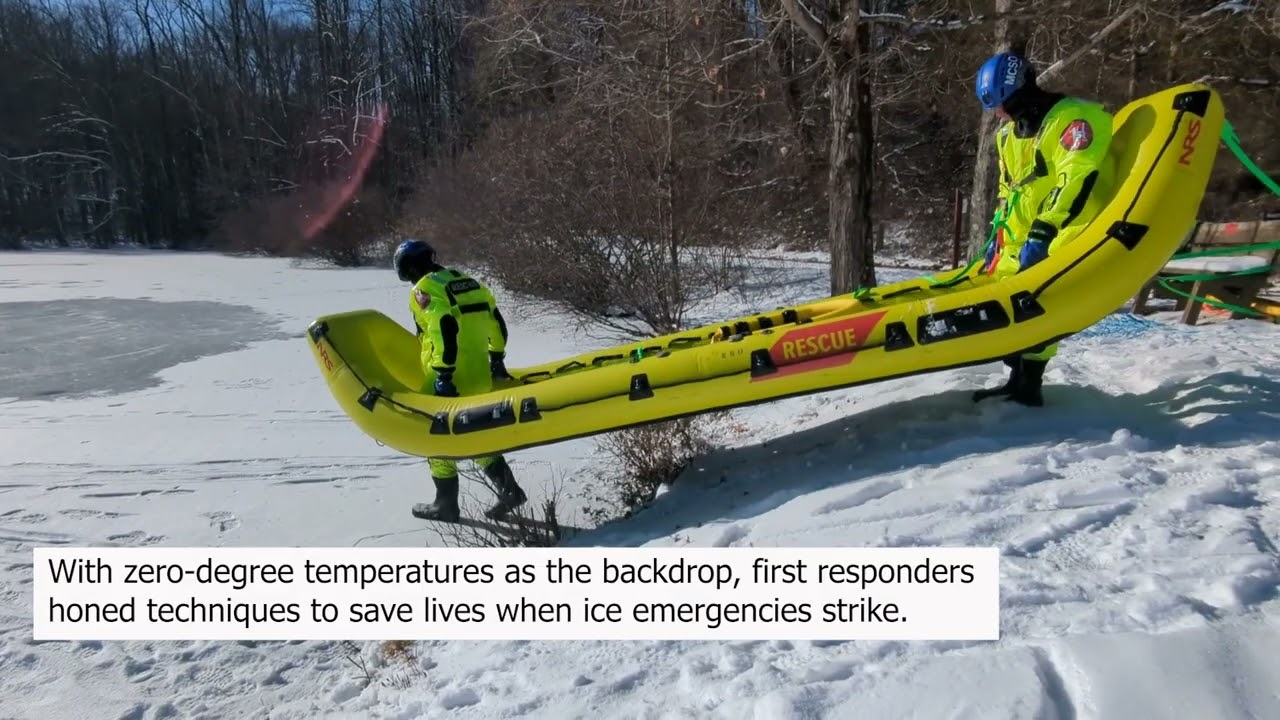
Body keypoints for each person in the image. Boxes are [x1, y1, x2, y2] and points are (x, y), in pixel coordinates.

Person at [971, 50, 1117, 407]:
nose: (998, 114)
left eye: (1001, 105)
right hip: (1017, 236)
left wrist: (1045, 230)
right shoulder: (1008, 137)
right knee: (1008, 308)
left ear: (1018, 94)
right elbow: (1009, 190)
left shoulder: (1073, 120)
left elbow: (1076, 177)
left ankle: (1029, 385)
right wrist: (998, 235)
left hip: (1060, 230)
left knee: (1038, 307)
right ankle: (1015, 378)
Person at [392, 239, 528, 521]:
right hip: (480, 377)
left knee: (434, 437)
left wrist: (443, 375)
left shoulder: (424, 289)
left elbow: (443, 327)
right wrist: (497, 358)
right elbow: (496, 321)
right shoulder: (467, 281)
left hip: (448, 378)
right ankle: (510, 489)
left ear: (408, 267)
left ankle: (445, 504)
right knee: (473, 434)